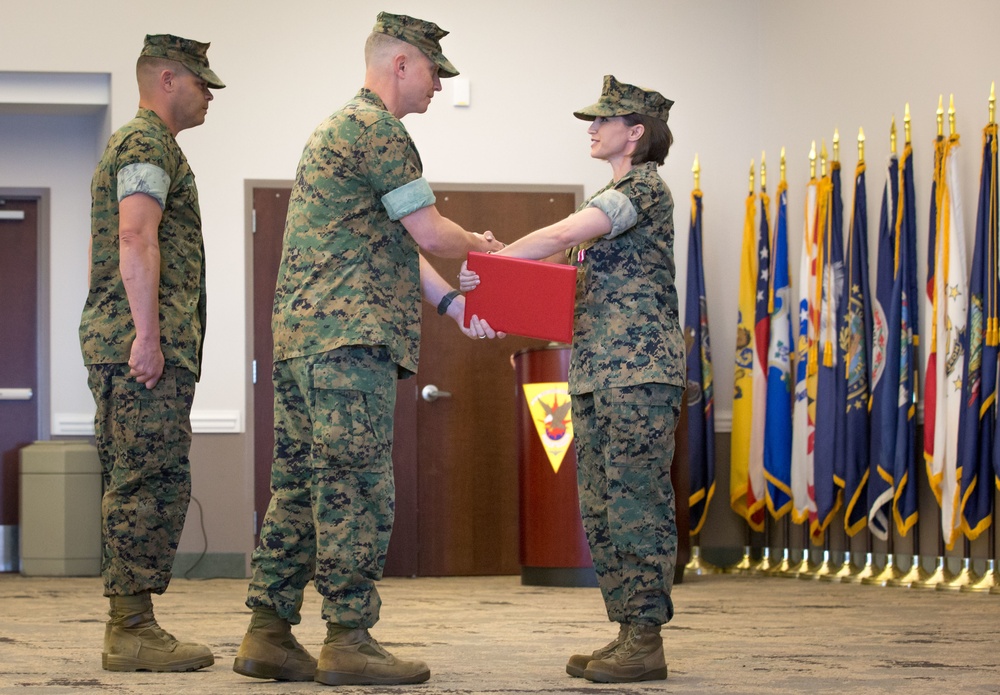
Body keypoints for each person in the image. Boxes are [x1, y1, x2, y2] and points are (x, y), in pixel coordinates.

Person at [234, 12, 503, 687]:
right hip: (348, 345)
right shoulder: (382, 131)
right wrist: (487, 248)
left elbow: (395, 245)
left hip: (305, 344)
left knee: (297, 485)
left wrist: (451, 303)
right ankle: (349, 636)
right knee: (355, 486)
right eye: (436, 70)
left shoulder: (338, 128)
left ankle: (267, 631)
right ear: (402, 64)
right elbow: (431, 231)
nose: (441, 84)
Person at [460, 75, 683, 683]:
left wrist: (491, 265)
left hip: (637, 374)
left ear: (635, 132)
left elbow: (560, 237)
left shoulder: (641, 189)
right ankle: (626, 633)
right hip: (597, 372)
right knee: (604, 505)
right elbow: (559, 270)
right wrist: (498, 290)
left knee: (636, 503)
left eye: (602, 120)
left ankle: (645, 637)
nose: (591, 128)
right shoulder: (611, 195)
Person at [78, 34, 224, 672]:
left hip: (131, 342)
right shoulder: (145, 144)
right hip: (142, 349)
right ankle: (132, 630)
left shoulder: (139, 145)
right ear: (168, 78)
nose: (210, 94)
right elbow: (134, 236)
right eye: (202, 82)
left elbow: (106, 249)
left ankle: (132, 623)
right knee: (149, 482)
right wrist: (145, 336)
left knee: (136, 478)